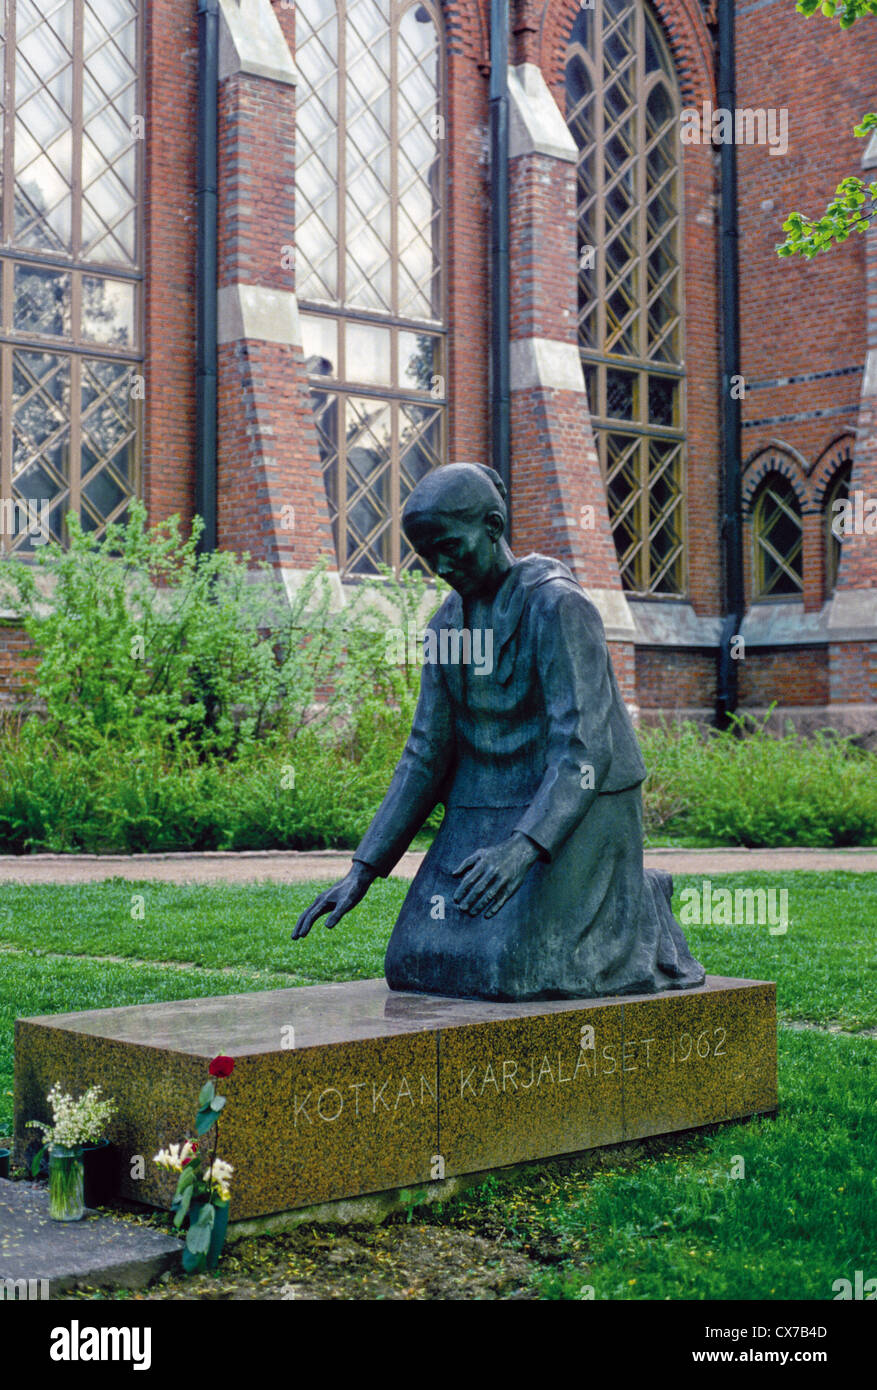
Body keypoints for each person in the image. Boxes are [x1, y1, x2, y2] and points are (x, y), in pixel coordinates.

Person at [292, 462, 705, 1001]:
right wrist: (363, 870)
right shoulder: (446, 625)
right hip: (487, 803)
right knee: (417, 959)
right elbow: (425, 753)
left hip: (577, 805)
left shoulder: (558, 607)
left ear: (493, 526)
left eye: (450, 547)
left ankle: (631, 897)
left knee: (503, 966)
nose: (440, 566)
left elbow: (583, 750)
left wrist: (521, 849)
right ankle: (620, 897)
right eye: (426, 555)